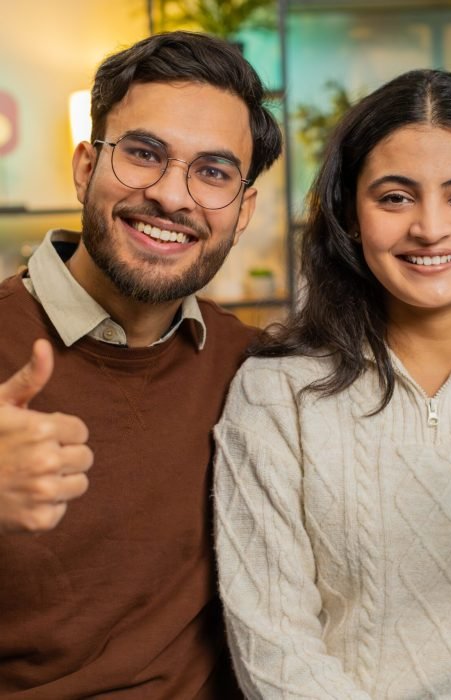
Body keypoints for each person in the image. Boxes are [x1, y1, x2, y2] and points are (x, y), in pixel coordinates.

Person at [214, 68, 451, 698]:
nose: (431, 228)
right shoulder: (276, 392)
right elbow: (273, 646)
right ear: (350, 214)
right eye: (395, 197)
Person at [0, 31, 281, 698]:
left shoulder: (252, 370)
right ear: (84, 166)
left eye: (211, 172)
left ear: (242, 211)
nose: (170, 196)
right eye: (144, 154)